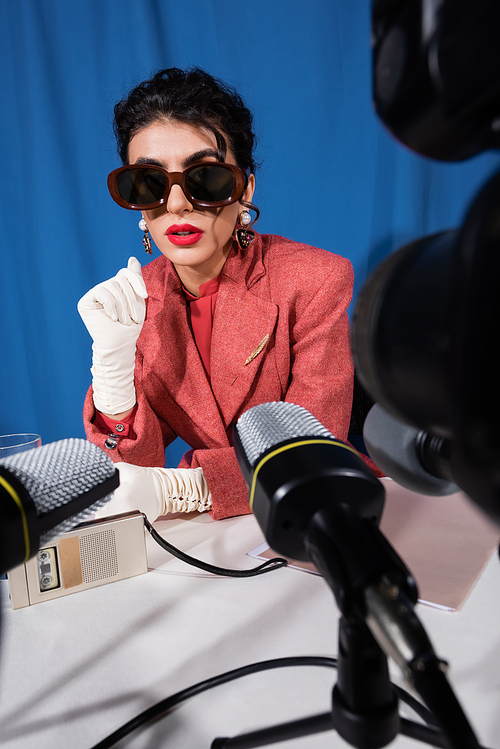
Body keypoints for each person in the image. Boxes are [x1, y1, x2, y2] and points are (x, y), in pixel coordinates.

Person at [78, 67, 360, 522]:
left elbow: (314, 452)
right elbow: (128, 478)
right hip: (218, 539)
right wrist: (113, 375)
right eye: (149, 182)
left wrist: (191, 486)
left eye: (205, 178)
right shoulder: (137, 301)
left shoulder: (313, 280)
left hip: (320, 513)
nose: (175, 204)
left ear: (245, 188)